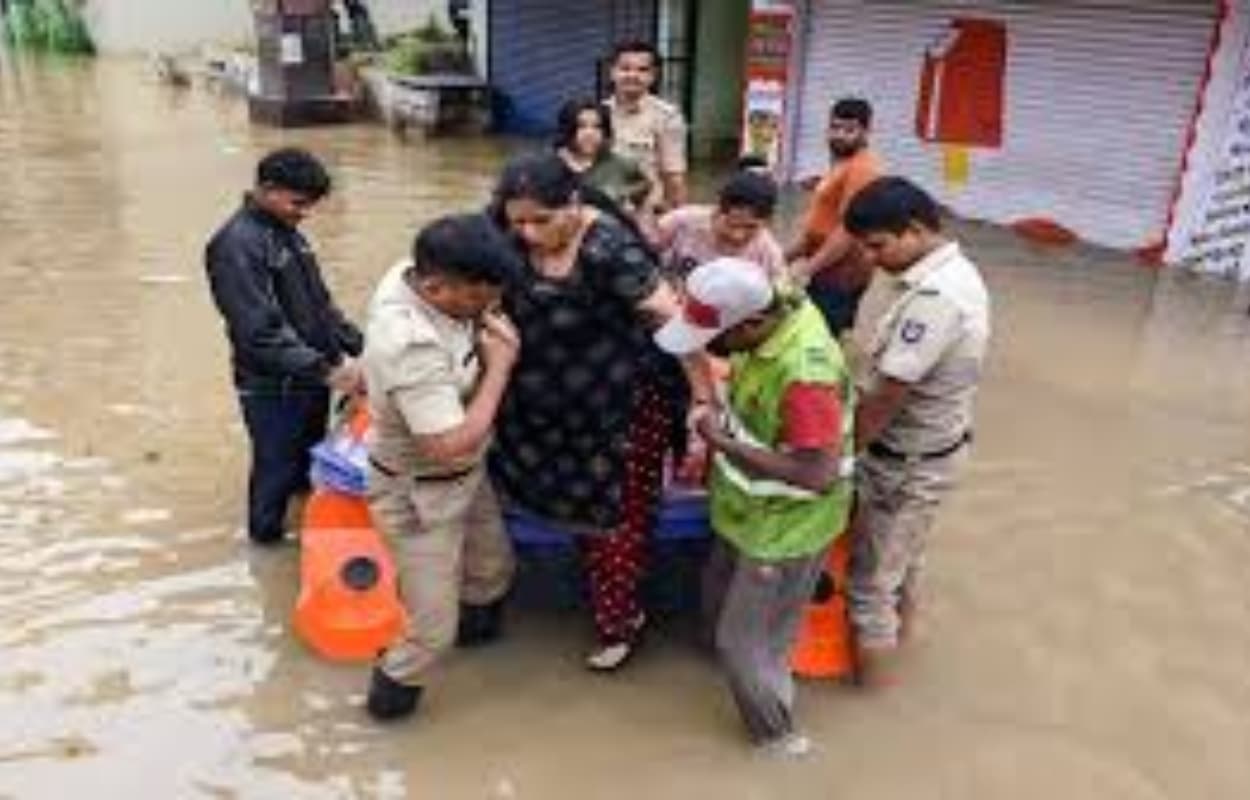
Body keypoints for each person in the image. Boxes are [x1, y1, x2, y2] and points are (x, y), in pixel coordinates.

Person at [489, 153, 700, 671]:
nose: (529, 234)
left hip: (618, 406)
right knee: (516, 486)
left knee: (615, 521)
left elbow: (673, 326)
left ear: (575, 204)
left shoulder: (611, 249)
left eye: (542, 220)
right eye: (518, 222)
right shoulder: (506, 229)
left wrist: (703, 399)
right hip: (541, 404)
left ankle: (620, 621)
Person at [653, 258, 854, 756]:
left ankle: (779, 741)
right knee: (718, 609)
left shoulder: (805, 373)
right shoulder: (775, 305)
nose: (709, 349)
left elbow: (817, 473)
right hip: (742, 510)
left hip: (784, 529)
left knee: (744, 644)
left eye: (717, 338)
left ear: (752, 324)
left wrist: (719, 441)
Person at [361, 213, 523, 721]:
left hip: (468, 477)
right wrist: (500, 364)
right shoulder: (409, 343)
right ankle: (387, 710)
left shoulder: (420, 268)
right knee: (431, 633)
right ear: (434, 286)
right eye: (478, 301)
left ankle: (482, 652)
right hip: (419, 490)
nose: (488, 310)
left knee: (493, 571)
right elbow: (447, 445)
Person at [843, 176, 990, 687]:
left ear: (914, 230)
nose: (868, 257)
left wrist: (840, 456)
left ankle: (873, 705)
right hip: (929, 453)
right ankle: (906, 648)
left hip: (906, 463)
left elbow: (887, 395)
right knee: (900, 566)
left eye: (877, 245)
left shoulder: (936, 297)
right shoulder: (955, 275)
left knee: (869, 591)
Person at [206, 147, 364, 546]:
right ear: (268, 189)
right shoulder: (236, 245)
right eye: (298, 203)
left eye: (309, 205)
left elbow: (320, 306)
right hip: (273, 387)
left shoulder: (287, 234)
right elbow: (257, 333)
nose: (304, 212)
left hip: (310, 379)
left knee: (306, 466)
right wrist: (329, 371)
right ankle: (266, 551)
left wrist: (363, 347)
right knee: (275, 471)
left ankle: (305, 538)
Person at [786, 97, 884, 336]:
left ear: (866, 131)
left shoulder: (862, 169)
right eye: (835, 127)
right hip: (827, 268)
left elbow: (847, 230)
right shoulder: (842, 163)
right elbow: (822, 221)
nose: (839, 135)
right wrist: (786, 256)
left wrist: (807, 269)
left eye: (849, 130)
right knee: (823, 333)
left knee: (815, 339)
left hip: (840, 274)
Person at [653, 169, 786, 285]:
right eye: (731, 225)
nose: (738, 235)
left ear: (767, 222)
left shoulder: (768, 253)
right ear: (717, 211)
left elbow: (781, 298)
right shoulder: (682, 222)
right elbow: (643, 249)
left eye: (751, 228)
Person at [603, 40, 688, 211]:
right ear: (612, 72)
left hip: (645, 214)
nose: (632, 75)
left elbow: (674, 177)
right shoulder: (597, 113)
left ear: (653, 75)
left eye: (642, 70)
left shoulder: (666, 116)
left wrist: (674, 215)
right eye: (625, 68)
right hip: (603, 211)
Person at [554, 97, 652, 216]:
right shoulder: (549, 167)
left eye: (597, 126)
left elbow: (643, 194)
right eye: (581, 126)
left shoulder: (621, 165)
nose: (589, 133)